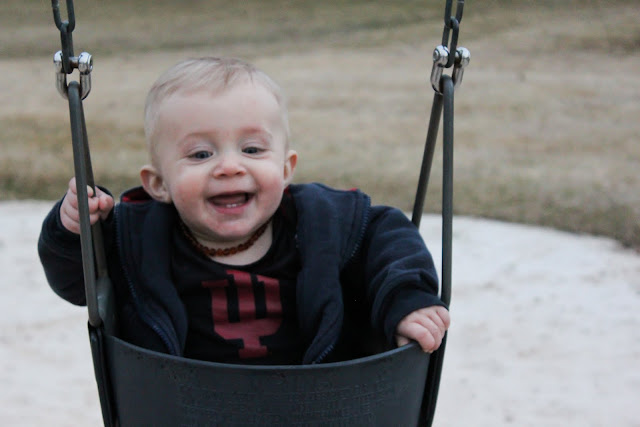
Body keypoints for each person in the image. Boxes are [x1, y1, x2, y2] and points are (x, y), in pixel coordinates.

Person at [38, 57, 449, 365]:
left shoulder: (326, 222)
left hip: (317, 405)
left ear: (285, 169)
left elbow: (389, 237)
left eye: (252, 149)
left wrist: (405, 301)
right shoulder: (135, 239)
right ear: (158, 184)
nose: (230, 166)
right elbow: (77, 282)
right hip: (185, 408)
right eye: (201, 154)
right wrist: (73, 227)